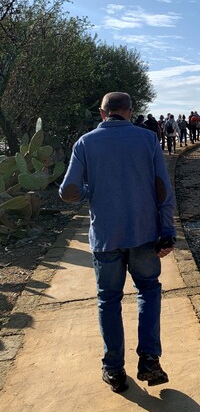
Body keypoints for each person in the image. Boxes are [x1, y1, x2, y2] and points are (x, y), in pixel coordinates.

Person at [59, 92, 176, 393]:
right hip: (144, 234)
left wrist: (91, 192)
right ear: (129, 112)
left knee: (108, 300)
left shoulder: (85, 143)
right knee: (148, 290)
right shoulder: (148, 140)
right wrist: (167, 231)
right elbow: (162, 189)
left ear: (102, 113)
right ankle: (149, 360)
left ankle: (114, 371)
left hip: (106, 238)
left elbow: (68, 191)